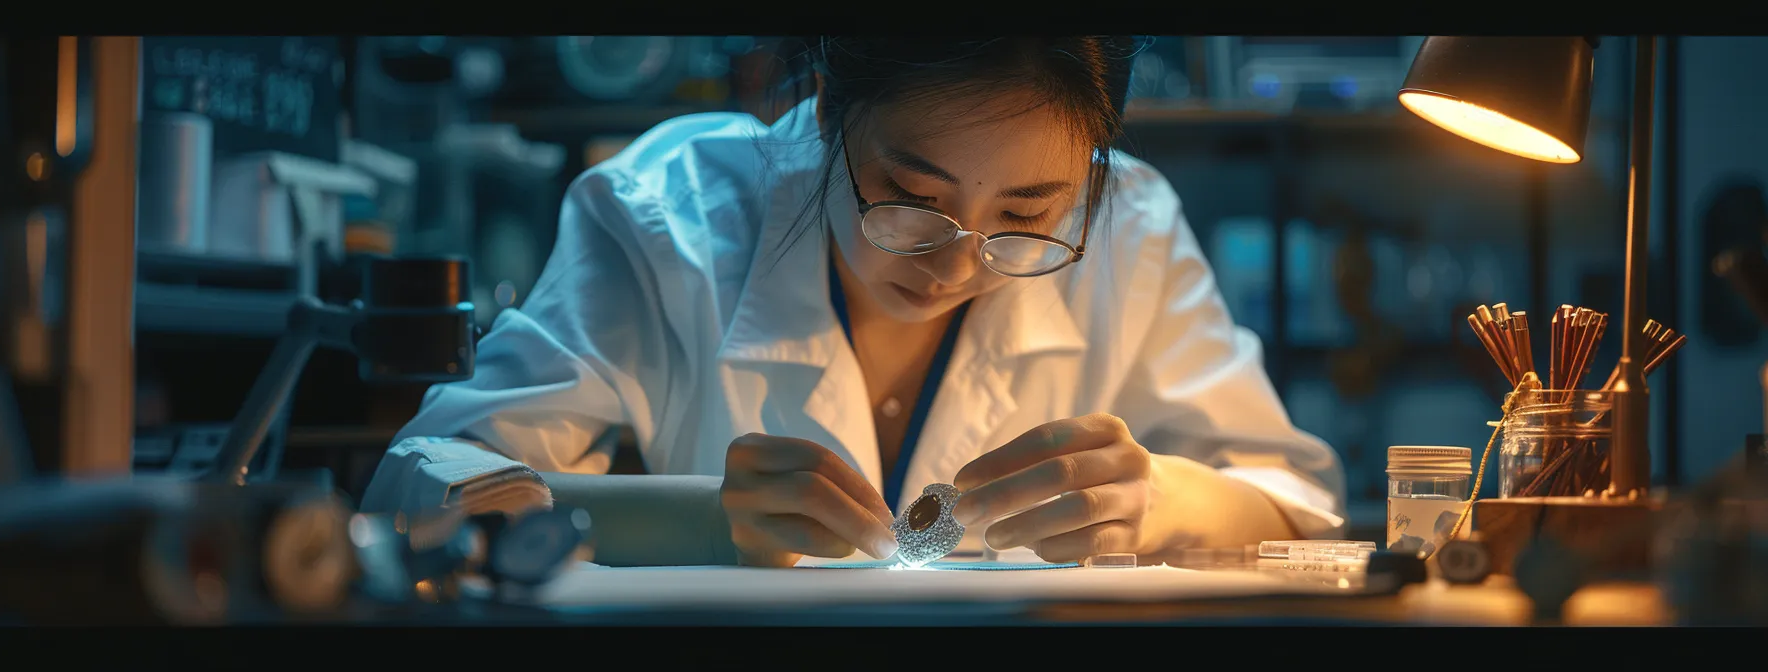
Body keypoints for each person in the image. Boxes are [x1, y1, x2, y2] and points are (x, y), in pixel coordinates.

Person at [378, 36, 1347, 568]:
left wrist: (1159, 500)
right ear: (830, 109)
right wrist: (702, 520)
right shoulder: (667, 215)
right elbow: (419, 487)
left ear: (1086, 181)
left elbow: (1304, 508)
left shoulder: (1130, 224)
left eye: (1025, 214)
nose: (956, 263)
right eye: (912, 200)